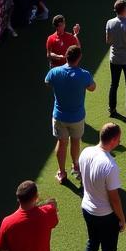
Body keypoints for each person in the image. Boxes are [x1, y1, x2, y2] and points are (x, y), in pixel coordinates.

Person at [79, 122, 126, 251]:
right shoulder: (110, 165)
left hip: (87, 209)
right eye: (119, 140)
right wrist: (122, 219)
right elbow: (114, 199)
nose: (119, 142)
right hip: (105, 217)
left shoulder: (85, 152)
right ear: (112, 140)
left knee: (92, 244)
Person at [43, 44, 96, 183]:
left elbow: (47, 82)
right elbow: (92, 88)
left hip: (59, 116)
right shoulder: (84, 74)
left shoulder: (54, 72)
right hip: (77, 117)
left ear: (66, 56)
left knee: (61, 143)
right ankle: (76, 166)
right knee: (76, 141)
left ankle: (61, 172)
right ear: (79, 58)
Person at [0, 181, 58, 251]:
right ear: (36, 197)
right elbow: (53, 205)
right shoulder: (47, 213)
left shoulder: (7, 223)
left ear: (18, 199)